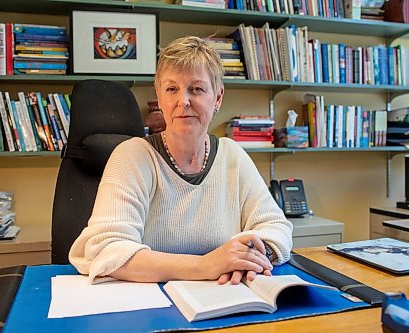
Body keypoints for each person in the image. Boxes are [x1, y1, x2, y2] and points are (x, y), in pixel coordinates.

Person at [69, 36, 293, 285]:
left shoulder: (233, 156)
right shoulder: (131, 156)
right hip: (148, 304)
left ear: (218, 98)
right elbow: (107, 249)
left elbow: (276, 226)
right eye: (172, 89)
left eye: (196, 89)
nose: (183, 101)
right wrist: (205, 265)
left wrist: (248, 259)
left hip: (223, 294)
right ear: (160, 97)